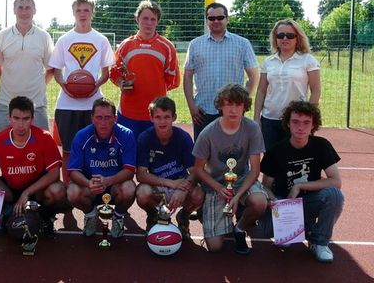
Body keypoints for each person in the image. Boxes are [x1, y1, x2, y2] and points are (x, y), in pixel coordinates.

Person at [0, 96, 67, 236]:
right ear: (9, 118)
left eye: (25, 119)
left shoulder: (44, 137)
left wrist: (27, 193)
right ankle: (7, 214)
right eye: (16, 118)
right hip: (11, 188)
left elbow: (54, 174)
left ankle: (46, 217)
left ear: (32, 119)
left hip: (37, 189)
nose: (21, 124)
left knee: (58, 190)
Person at [260, 100, 344, 263]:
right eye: (295, 122)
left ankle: (319, 242)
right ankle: (308, 229)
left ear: (313, 125)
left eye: (306, 123)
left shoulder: (322, 145)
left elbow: (336, 181)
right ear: (288, 124)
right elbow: (266, 186)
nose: (300, 127)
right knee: (266, 231)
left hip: (309, 201)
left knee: (335, 195)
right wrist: (274, 201)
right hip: (285, 205)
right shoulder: (276, 150)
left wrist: (300, 185)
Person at [193, 84, 268, 254]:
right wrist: (219, 188)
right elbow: (198, 169)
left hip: (241, 178)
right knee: (215, 247)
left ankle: (239, 229)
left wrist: (238, 196)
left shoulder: (252, 128)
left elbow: (255, 170)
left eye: (238, 105)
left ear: (245, 106)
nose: (233, 110)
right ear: (220, 105)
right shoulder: (208, 133)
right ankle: (207, 210)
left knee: (259, 202)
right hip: (216, 184)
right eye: (228, 104)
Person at [48, 0, 114, 183]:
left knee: (95, 150)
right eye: (79, 10)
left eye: (86, 10)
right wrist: (65, 86)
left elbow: (106, 72)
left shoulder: (100, 40)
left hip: (93, 105)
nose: (82, 14)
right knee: (67, 151)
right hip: (67, 105)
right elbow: (56, 71)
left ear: (92, 13)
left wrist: (96, 86)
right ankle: (68, 196)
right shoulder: (64, 39)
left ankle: (92, 193)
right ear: (73, 13)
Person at [183, 2, 259, 140]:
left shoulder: (242, 43)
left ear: (227, 19)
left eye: (220, 17)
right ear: (206, 20)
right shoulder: (195, 44)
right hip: (203, 111)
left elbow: (254, 76)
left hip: (232, 110)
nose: (216, 21)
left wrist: (242, 101)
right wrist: (192, 106)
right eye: (211, 18)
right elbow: (187, 77)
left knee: (233, 154)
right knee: (203, 155)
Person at [109, 0, 180, 138]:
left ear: (158, 21)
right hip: (128, 112)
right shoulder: (125, 45)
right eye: (145, 18)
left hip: (156, 114)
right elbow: (114, 72)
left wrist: (154, 88)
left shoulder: (167, 47)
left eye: (153, 19)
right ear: (137, 18)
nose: (149, 22)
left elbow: (173, 80)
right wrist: (121, 83)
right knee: (128, 154)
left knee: (154, 154)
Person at [67, 98, 136, 239]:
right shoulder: (81, 136)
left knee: (129, 188)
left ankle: (118, 217)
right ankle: (91, 215)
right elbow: (73, 171)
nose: (103, 123)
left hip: (114, 185)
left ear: (115, 118)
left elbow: (129, 171)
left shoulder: (126, 134)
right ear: (92, 118)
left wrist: (108, 181)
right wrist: (88, 183)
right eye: (99, 117)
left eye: (108, 118)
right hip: (90, 186)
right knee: (73, 191)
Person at [135, 96, 204, 239]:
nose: (162, 121)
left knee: (199, 195)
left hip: (181, 182)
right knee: (142, 193)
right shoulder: (144, 138)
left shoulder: (183, 137)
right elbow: (141, 175)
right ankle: (153, 215)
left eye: (167, 117)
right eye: (158, 117)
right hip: (159, 184)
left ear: (174, 117)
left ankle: (184, 216)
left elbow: (194, 171)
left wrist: (182, 190)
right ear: (151, 118)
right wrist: (171, 184)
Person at [254, 18, 321, 151]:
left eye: (290, 35)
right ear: (275, 38)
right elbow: (261, 90)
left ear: (298, 38)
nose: (285, 38)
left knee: (294, 160)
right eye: (280, 35)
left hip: (296, 120)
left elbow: (316, 90)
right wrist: (256, 117)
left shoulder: (308, 60)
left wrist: (308, 116)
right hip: (270, 119)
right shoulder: (268, 62)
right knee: (271, 160)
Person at [0, 0, 54, 134]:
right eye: (20, 8)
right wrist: (11, 82)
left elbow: (51, 70)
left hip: (37, 104)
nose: (24, 12)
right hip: (6, 103)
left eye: (28, 8)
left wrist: (38, 84)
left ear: (34, 11)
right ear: (14, 11)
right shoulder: (2, 36)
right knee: (1, 147)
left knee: (41, 148)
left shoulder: (44, 36)